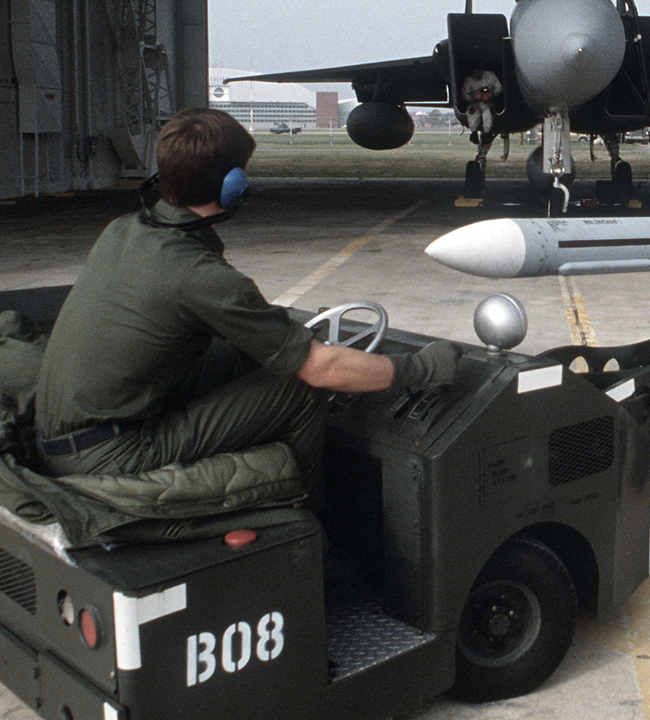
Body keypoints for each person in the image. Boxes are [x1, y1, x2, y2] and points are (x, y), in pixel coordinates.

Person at [33, 108, 457, 486]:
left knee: (240, 358)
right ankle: (309, 523)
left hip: (64, 436)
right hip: (111, 454)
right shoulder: (201, 278)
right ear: (233, 185)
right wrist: (422, 367)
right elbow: (321, 369)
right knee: (300, 390)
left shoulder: (125, 230)